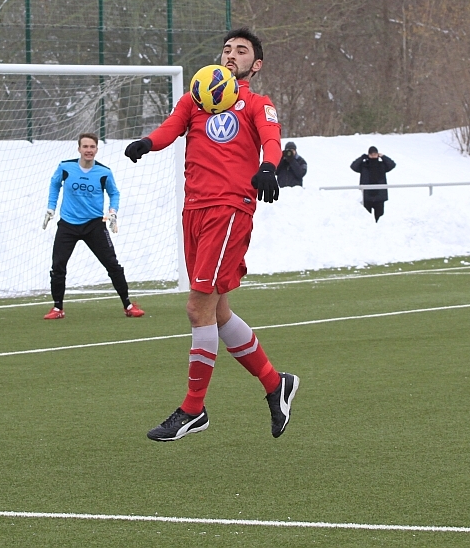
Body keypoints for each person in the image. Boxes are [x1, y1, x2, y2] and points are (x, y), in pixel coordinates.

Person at [124, 27, 299, 442]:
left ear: (256, 65)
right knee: (217, 313)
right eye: (227, 49)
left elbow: (272, 140)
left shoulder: (256, 103)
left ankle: (193, 409)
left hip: (229, 210)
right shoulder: (196, 98)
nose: (231, 55)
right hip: (194, 211)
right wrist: (147, 143)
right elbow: (170, 128)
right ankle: (276, 383)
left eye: (241, 51)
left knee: (197, 307)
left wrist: (269, 167)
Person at [43, 132, 145, 320]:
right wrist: (51, 207)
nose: (88, 150)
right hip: (68, 224)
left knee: (112, 264)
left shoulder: (104, 172)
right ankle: (57, 308)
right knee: (58, 265)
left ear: (97, 149)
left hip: (94, 225)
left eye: (92, 147)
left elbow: (114, 193)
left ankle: (128, 305)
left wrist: (113, 211)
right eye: (85, 146)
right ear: (79, 148)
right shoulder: (65, 167)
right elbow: (54, 184)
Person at [350, 147, 396, 222]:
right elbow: (353, 166)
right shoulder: (364, 165)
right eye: (371, 154)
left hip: (379, 196)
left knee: (380, 219)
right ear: (368, 155)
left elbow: (392, 165)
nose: (373, 156)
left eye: (375, 154)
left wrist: (383, 157)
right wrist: (361, 158)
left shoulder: (382, 165)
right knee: (366, 220)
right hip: (366, 197)